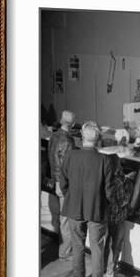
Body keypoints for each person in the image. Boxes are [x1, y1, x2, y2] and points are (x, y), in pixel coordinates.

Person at [59, 122, 115, 277]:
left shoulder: (70, 156)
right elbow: (109, 191)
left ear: (82, 137)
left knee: (77, 246)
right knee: (97, 248)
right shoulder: (104, 160)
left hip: (74, 208)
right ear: (97, 139)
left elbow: (63, 182)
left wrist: (72, 195)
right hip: (96, 210)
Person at [47, 110, 76, 259]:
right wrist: (61, 183)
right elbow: (65, 164)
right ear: (72, 124)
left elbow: (52, 159)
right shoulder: (68, 141)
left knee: (59, 217)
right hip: (63, 183)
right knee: (66, 218)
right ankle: (64, 252)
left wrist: (55, 180)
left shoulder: (54, 136)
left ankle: (63, 249)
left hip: (54, 180)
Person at [103, 154, 137, 277]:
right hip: (117, 217)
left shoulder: (105, 177)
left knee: (105, 244)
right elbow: (123, 200)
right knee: (116, 245)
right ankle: (111, 272)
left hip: (104, 216)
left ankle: (104, 268)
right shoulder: (119, 181)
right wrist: (129, 181)